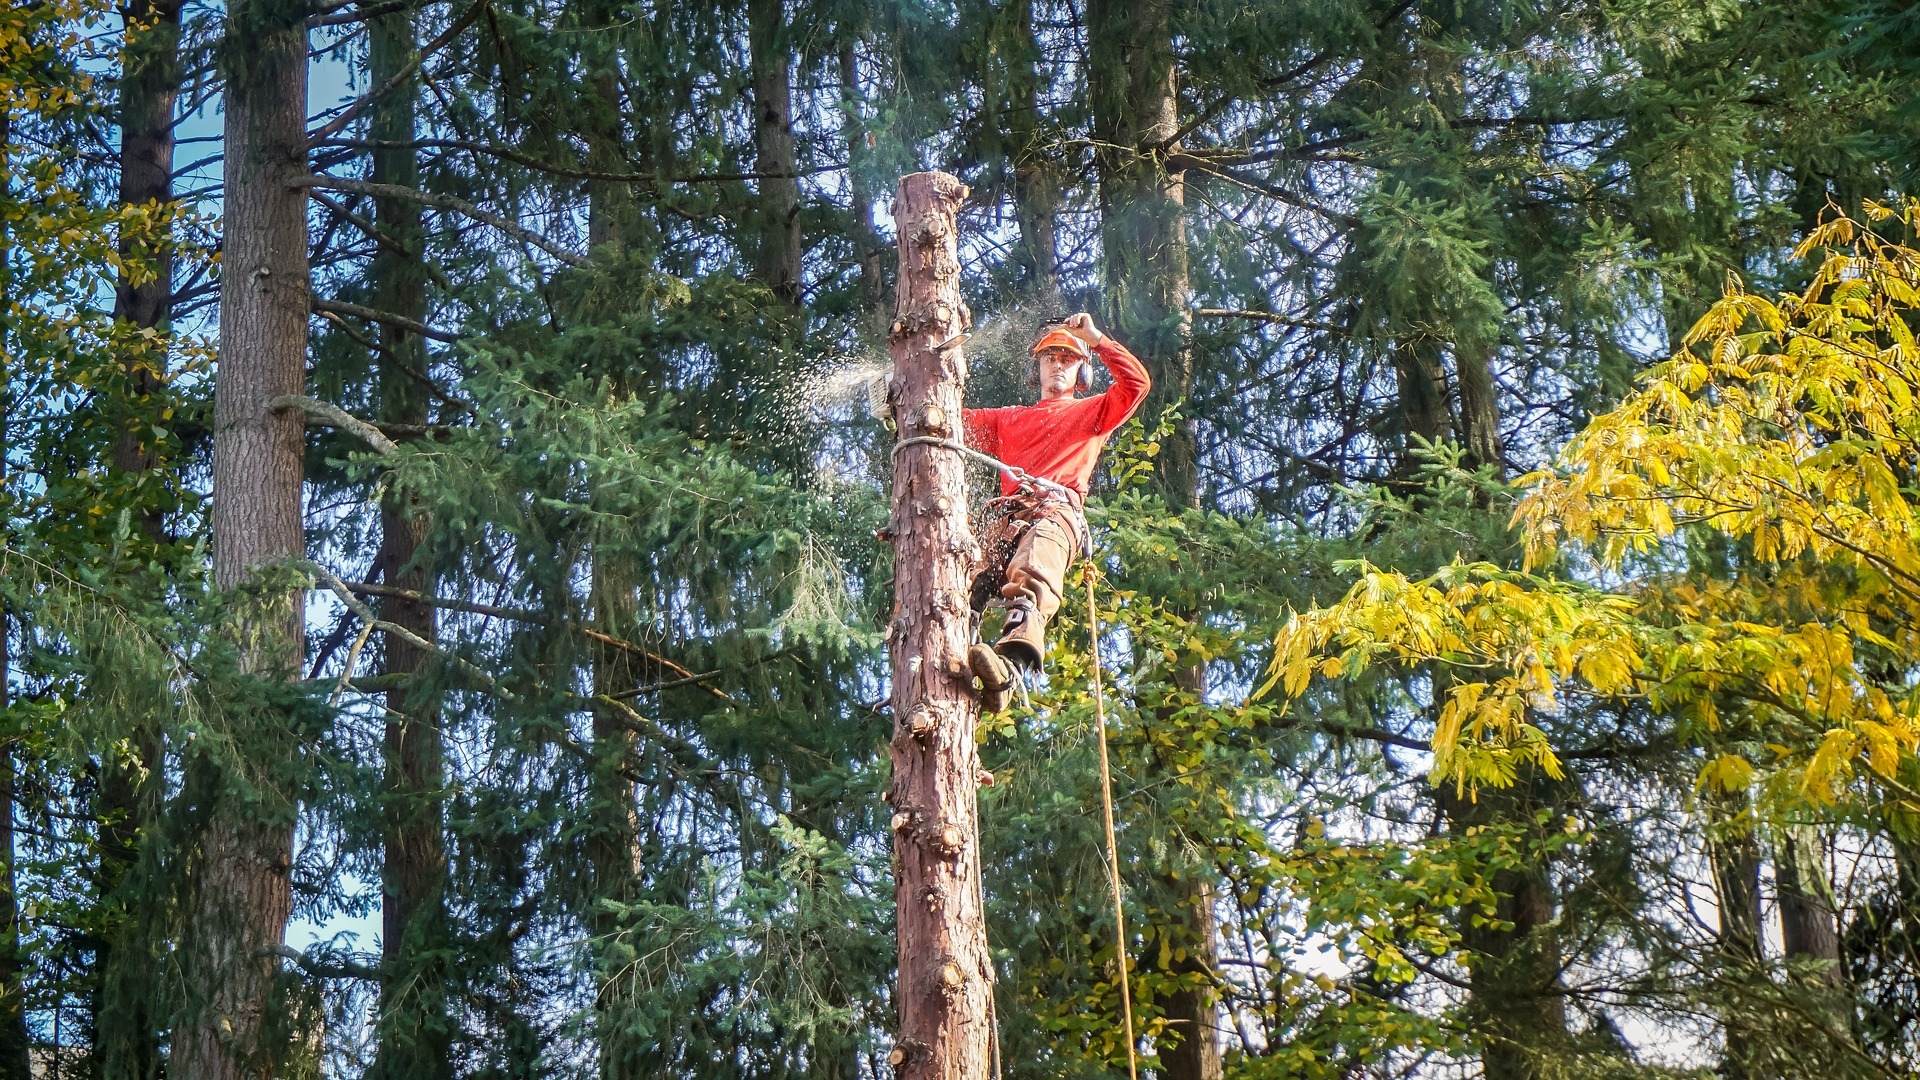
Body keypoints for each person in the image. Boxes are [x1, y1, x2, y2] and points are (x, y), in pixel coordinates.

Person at [962, 312, 1150, 712]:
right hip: (1005, 519)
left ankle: (1007, 670)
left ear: (1082, 369)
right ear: (1039, 367)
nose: (1058, 364)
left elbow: (1136, 385)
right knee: (962, 580)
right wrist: (903, 403)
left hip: (1054, 512)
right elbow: (948, 426)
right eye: (1051, 358)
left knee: (1034, 567)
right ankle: (952, 654)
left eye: (1068, 358)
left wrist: (1097, 340)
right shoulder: (1009, 419)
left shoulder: (1094, 412)